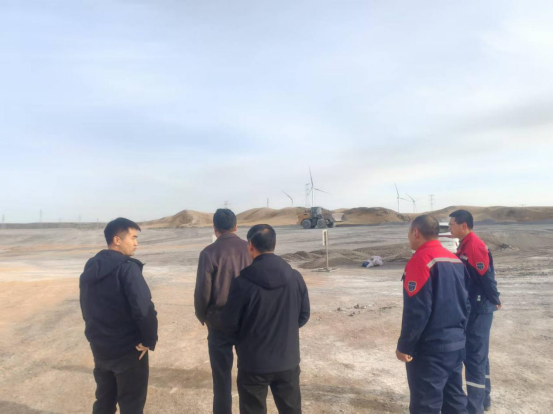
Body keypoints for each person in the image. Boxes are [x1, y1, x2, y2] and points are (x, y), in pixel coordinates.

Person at [222, 225, 310, 415]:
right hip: (287, 360)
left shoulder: (241, 283)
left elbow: (229, 325)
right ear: (274, 243)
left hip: (253, 363)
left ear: (250, 245)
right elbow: (303, 315)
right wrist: (284, 331)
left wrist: (244, 341)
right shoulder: (295, 277)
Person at [80, 218, 158, 415]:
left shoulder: (91, 266)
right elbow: (144, 309)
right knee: (131, 405)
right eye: (133, 238)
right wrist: (148, 340)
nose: (136, 243)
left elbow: (86, 306)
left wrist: (96, 336)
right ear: (117, 240)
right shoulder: (127, 267)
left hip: (101, 348)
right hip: (128, 350)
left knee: (104, 401)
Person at [396, 215, 471, 415]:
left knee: (425, 405)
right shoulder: (455, 260)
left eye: (409, 233)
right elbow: (466, 303)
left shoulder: (421, 260)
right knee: (454, 402)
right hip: (455, 345)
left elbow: (417, 310)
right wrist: (459, 335)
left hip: (430, 351)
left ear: (416, 232)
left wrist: (405, 346)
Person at [194, 209, 252, 414]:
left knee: (221, 379)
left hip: (219, 323)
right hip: (247, 322)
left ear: (214, 228)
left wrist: (202, 315)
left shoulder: (208, 253)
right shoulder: (250, 248)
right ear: (236, 226)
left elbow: (203, 290)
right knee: (249, 376)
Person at [449, 210, 502, 414]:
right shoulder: (464, 244)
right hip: (475, 306)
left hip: (480, 309)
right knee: (480, 357)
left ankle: (475, 407)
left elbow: (486, 276)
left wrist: (495, 299)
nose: (450, 228)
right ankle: (484, 401)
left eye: (452, 224)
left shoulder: (474, 246)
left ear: (463, 226)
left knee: (474, 358)